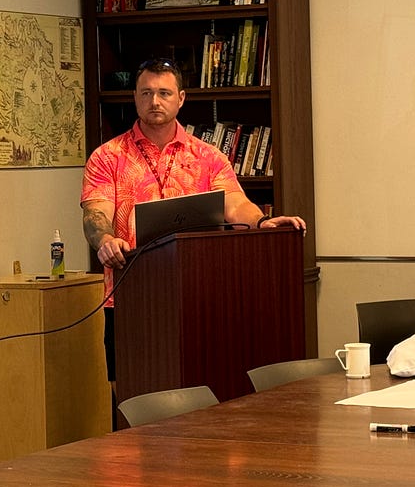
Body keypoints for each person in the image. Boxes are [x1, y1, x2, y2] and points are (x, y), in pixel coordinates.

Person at [80, 57, 306, 380]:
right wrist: (104, 240)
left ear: (181, 98)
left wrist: (260, 222)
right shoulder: (108, 156)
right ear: (134, 98)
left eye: (163, 93)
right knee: (131, 391)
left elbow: (234, 202)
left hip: (198, 297)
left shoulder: (209, 156)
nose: (154, 101)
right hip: (132, 299)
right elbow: (95, 212)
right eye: (145, 93)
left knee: (202, 387)